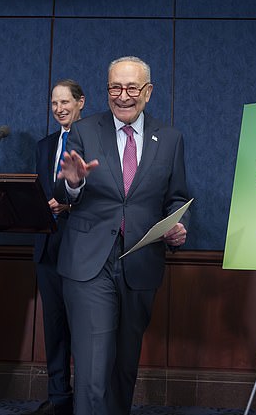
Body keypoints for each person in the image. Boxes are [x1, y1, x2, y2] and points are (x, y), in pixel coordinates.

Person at [56, 56, 191, 415]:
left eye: (132, 88)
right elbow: (70, 186)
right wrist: (74, 182)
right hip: (89, 261)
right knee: (93, 366)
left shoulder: (171, 139)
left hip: (140, 262)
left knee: (123, 366)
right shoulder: (84, 131)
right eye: (115, 87)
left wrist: (180, 225)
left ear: (148, 92)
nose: (123, 95)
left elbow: (178, 196)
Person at [28, 79, 85, 415]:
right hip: (47, 247)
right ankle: (58, 396)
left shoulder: (97, 141)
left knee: (83, 328)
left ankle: (87, 397)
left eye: (65, 102)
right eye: (54, 104)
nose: (60, 109)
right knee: (54, 326)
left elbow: (105, 195)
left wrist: (70, 207)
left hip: (82, 247)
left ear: (81, 102)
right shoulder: (44, 145)